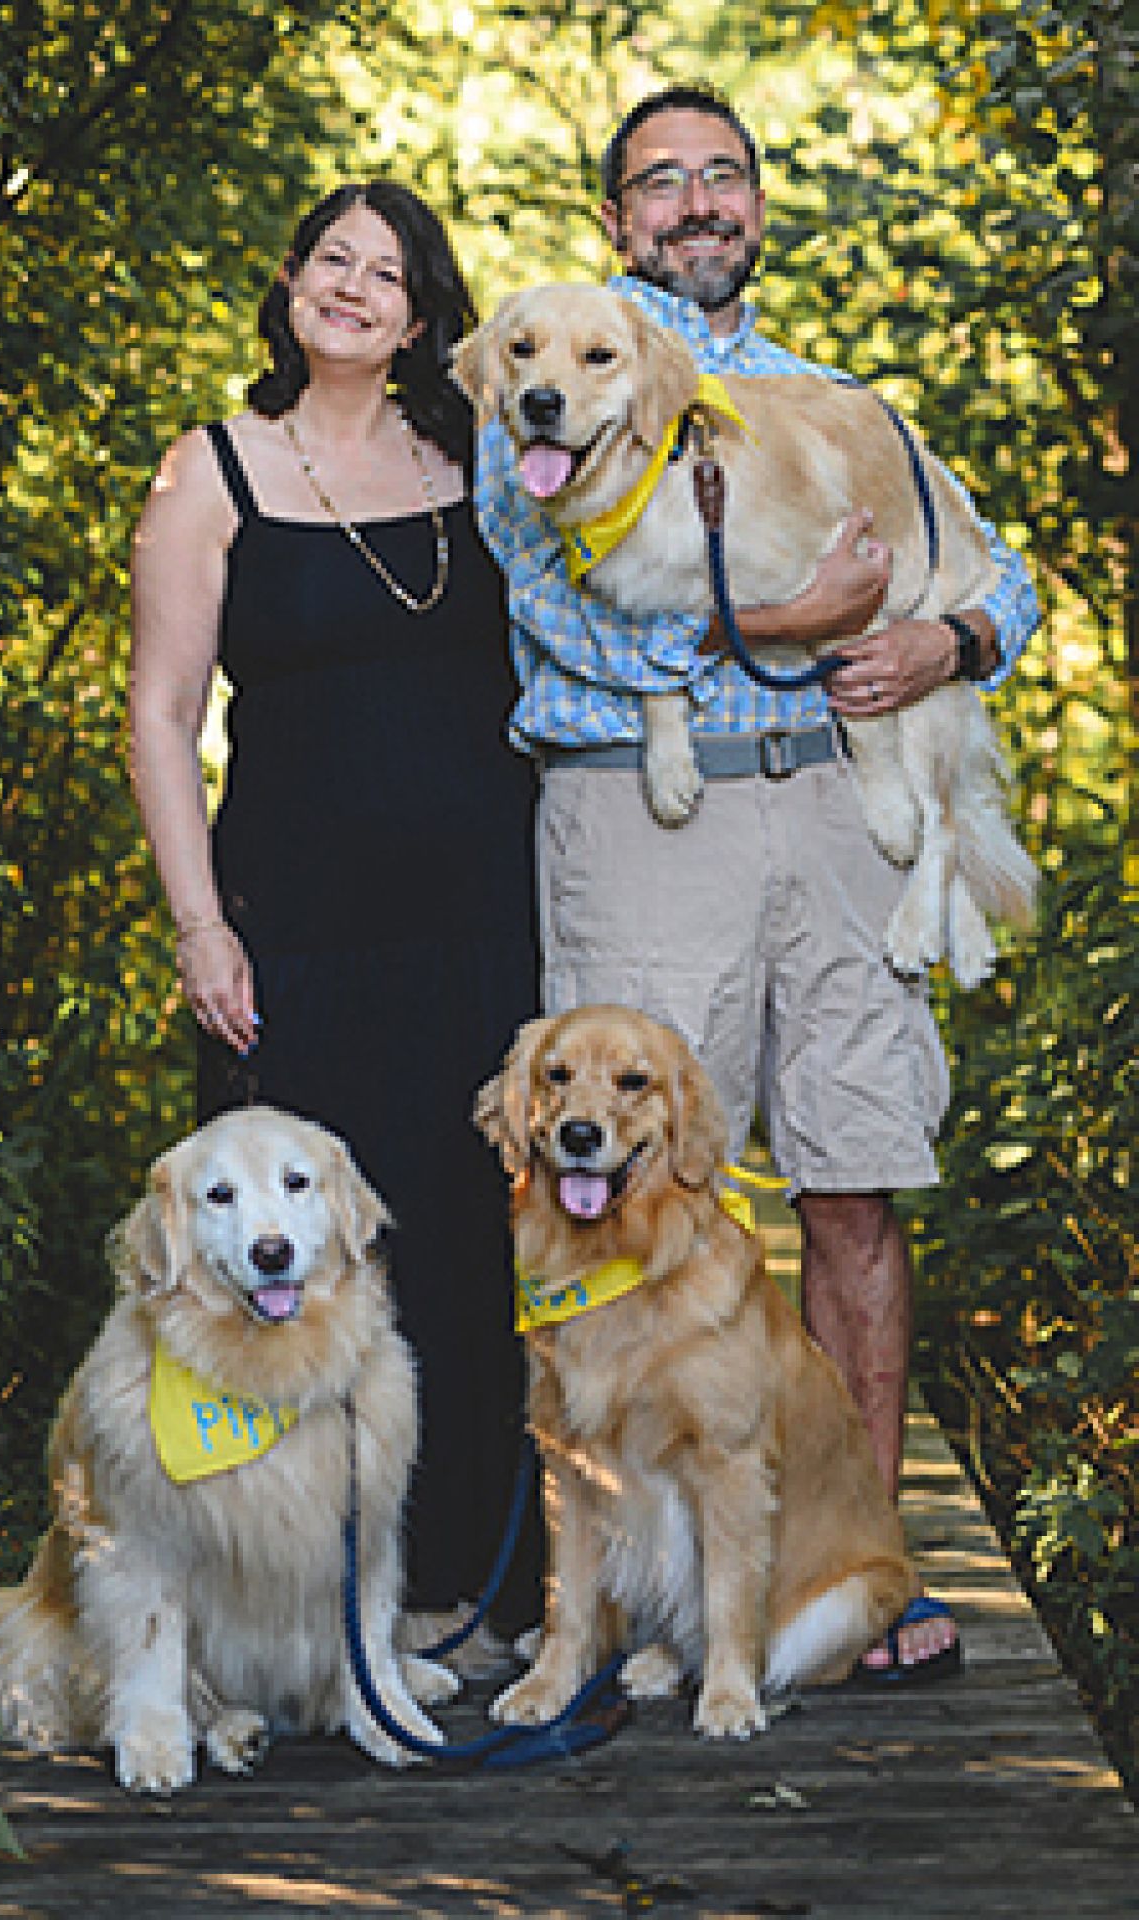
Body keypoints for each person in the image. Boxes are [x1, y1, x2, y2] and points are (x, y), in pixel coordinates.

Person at [473, 86, 1040, 1679]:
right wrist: (792, 622)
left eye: (725, 177)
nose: (698, 203)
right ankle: (622, 1594)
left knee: (857, 1186)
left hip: (846, 825)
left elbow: (1000, 575)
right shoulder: (549, 369)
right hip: (646, 824)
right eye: (664, 182)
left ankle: (858, 1563)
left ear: (759, 209)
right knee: (616, 1192)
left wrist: (948, 637)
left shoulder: (842, 399)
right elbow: (570, 625)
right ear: (617, 217)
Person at [129, 181, 542, 1642]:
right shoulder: (211, 471)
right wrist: (200, 926)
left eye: (388, 272)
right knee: (292, 1261)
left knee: (473, 1240)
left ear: (425, 314)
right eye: (331, 260)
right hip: (292, 930)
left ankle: (476, 1595)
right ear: (292, 285)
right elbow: (164, 714)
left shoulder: (486, 459)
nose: (355, 286)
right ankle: (289, 1615)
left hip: (493, 923)